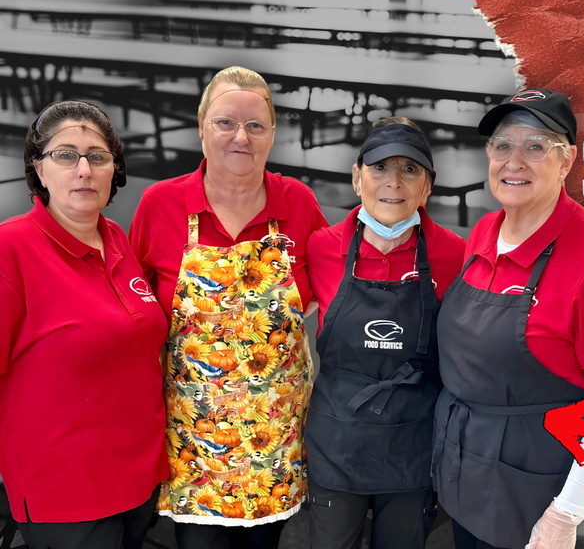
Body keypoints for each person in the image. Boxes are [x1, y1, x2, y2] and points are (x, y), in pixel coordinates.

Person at [432, 89, 584, 549]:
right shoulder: (487, 230)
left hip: (531, 491)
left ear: (567, 160)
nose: (515, 161)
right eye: (502, 145)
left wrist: (564, 514)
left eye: (536, 146)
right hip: (465, 466)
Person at [129, 67, 328, 549]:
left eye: (255, 125)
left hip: (272, 442)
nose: (241, 136)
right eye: (225, 123)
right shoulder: (160, 204)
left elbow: (331, 286)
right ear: (201, 128)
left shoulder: (297, 203)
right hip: (195, 448)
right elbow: (130, 310)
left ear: (273, 134)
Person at [0, 100, 167, 549]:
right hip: (65, 488)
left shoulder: (117, 238)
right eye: (65, 155)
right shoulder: (11, 248)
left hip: (139, 474)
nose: (84, 170)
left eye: (97, 156)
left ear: (114, 169)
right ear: (38, 166)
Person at [304, 117, 466, 549]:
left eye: (410, 170)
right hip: (338, 437)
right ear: (357, 179)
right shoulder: (320, 247)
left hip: (412, 438)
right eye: (380, 168)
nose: (393, 183)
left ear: (428, 187)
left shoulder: (456, 255)